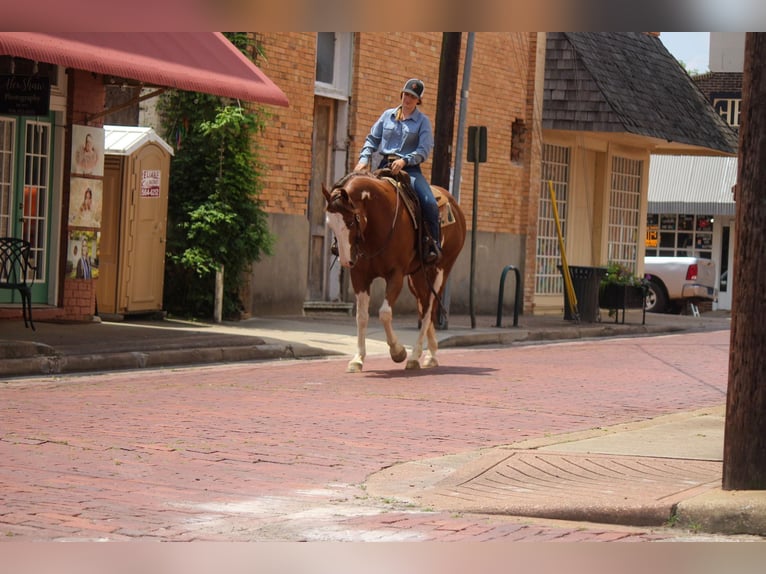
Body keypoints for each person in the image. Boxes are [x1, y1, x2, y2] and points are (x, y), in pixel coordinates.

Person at [354, 78, 441, 263]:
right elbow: (372, 139)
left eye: (412, 97)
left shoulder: (423, 122)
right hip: (383, 167)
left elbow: (424, 150)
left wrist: (405, 160)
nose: (408, 99)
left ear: (418, 101)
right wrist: (363, 160)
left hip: (410, 171)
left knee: (430, 203)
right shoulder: (387, 116)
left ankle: (432, 244)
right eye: (406, 94)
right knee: (355, 194)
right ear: (401, 94)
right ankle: (351, 242)